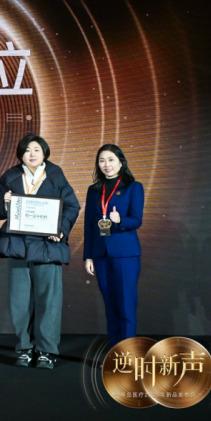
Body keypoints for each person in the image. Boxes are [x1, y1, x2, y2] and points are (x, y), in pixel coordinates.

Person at [0, 134, 79, 370]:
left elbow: (72, 206)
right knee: (19, 300)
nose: (32, 154)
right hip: (18, 246)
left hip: (47, 245)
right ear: (21, 154)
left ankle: (46, 351)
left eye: (37, 150)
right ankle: (24, 348)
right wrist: (5, 203)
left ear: (44, 153)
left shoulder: (55, 175)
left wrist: (61, 229)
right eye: (27, 150)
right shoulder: (11, 177)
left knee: (48, 300)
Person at [83, 144, 144, 346]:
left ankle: (128, 352)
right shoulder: (93, 190)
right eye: (102, 160)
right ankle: (115, 351)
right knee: (110, 305)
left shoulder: (133, 187)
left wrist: (120, 220)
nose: (106, 165)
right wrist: (88, 256)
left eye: (111, 160)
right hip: (100, 254)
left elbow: (136, 220)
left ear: (120, 162)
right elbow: (89, 225)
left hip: (125, 254)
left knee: (126, 304)